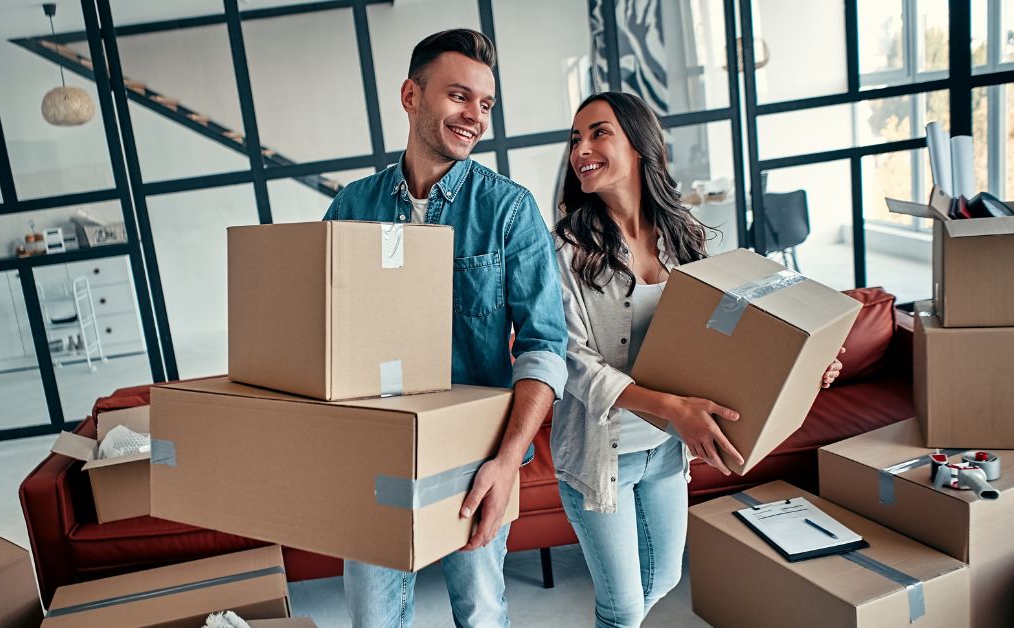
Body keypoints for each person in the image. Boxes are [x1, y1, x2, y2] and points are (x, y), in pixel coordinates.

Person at [551, 91, 844, 628]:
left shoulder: (681, 237)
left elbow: (730, 337)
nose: (581, 150)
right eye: (575, 139)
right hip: (599, 454)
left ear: (639, 146)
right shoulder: (566, 250)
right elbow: (572, 361)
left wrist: (803, 366)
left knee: (661, 579)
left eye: (598, 133)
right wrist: (672, 407)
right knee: (621, 609)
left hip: (665, 449)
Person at [323, 29, 568, 627]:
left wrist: (508, 462)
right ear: (411, 96)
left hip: (474, 458)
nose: (474, 117)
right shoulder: (351, 209)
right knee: (372, 621)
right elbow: (321, 337)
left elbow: (544, 347)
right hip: (373, 454)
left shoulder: (509, 210)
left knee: (482, 614)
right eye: (460, 96)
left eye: (485, 105)